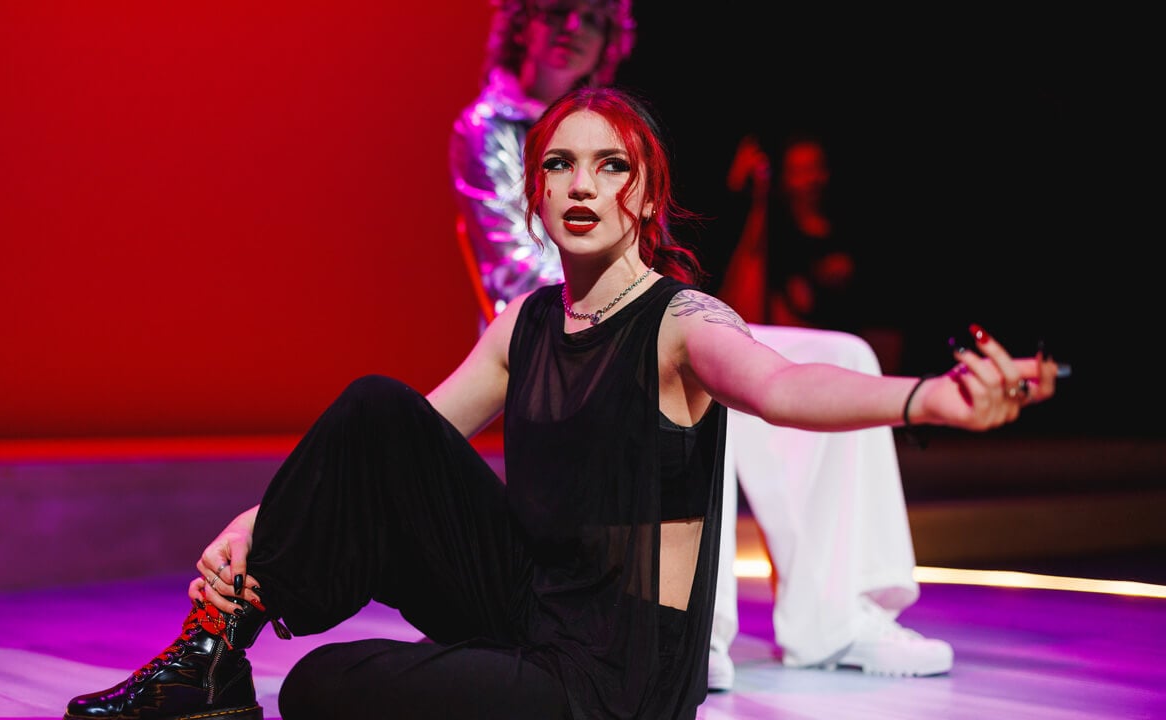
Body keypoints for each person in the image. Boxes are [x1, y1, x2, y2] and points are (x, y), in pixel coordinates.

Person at [63, 86, 1059, 720]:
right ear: (537, 197)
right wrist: (261, 523)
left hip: (613, 681)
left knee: (325, 687)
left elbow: (785, 386)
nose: (581, 184)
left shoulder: (679, 321)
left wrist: (928, 398)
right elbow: (395, 445)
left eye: (608, 166)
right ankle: (209, 648)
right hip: (527, 613)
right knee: (374, 408)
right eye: (558, 165)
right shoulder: (526, 326)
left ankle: (245, 666)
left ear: (642, 198)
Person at [449, 0, 954, 689]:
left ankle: (839, 615)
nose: (572, 29)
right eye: (555, 12)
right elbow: (516, 270)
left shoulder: (616, 123)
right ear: (521, 26)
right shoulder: (489, 128)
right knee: (679, 372)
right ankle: (687, 630)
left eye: (591, 20)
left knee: (841, 355)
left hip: (637, 305)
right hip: (561, 334)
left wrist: (930, 396)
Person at [720, 131, 905, 373]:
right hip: (789, 364)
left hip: (839, 362)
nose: (810, 180)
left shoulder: (849, 233)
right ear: (785, 179)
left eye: (814, 169)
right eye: (799, 172)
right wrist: (752, 197)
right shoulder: (774, 237)